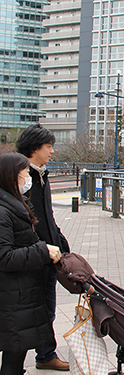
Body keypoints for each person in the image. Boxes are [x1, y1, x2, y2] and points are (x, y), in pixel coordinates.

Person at [0, 152, 62, 375]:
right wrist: (42, 250)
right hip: (12, 292)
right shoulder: (3, 211)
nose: (29, 177)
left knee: (17, 348)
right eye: (25, 172)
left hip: (21, 290)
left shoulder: (15, 203)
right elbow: (4, 257)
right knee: (14, 350)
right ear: (12, 176)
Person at [16, 124, 70, 371]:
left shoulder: (41, 174)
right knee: (28, 311)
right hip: (31, 256)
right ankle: (22, 359)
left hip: (48, 254)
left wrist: (59, 241)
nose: (52, 152)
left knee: (47, 307)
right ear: (34, 147)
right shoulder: (20, 178)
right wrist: (40, 248)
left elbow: (47, 216)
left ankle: (45, 354)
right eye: (49, 146)